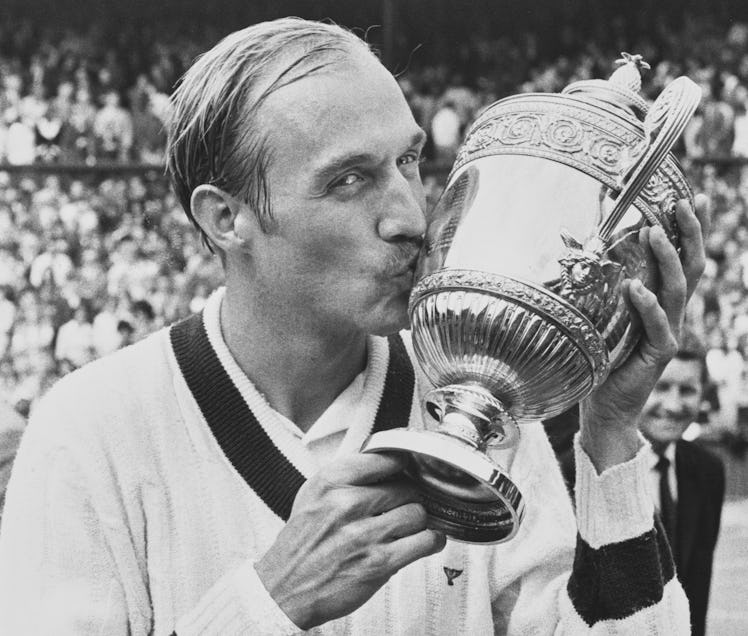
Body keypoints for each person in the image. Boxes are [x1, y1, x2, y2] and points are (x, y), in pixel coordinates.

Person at [0, 18, 710, 634]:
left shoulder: (481, 403)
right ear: (227, 218)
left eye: (408, 161)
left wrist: (611, 433)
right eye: (349, 179)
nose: (411, 217)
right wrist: (267, 604)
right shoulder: (92, 430)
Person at [638, 329, 726, 636]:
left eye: (687, 390)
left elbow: (697, 587)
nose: (673, 405)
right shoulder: (583, 467)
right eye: (660, 387)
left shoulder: (708, 472)